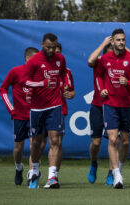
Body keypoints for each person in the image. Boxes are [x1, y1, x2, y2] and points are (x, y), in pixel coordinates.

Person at [96, 28, 130, 189]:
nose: (121, 42)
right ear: (112, 42)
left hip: (128, 105)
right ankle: (116, 175)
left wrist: (129, 83)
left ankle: (120, 167)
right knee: (113, 139)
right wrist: (101, 90)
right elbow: (98, 75)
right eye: (118, 40)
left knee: (125, 142)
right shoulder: (104, 59)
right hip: (110, 104)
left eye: (123, 40)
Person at [22, 33, 67, 189]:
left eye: (53, 47)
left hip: (55, 105)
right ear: (42, 45)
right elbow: (24, 81)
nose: (51, 50)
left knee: (55, 140)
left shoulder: (60, 59)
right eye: (48, 47)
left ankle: (52, 177)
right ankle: (34, 170)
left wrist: (64, 85)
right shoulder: (34, 60)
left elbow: (63, 76)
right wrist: (41, 83)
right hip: (37, 108)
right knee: (36, 143)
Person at [0, 47, 39, 186]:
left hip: (35, 115)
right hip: (19, 116)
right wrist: (11, 109)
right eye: (36, 58)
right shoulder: (16, 71)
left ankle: (32, 173)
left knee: (34, 144)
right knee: (18, 148)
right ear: (27, 59)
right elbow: (3, 89)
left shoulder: (40, 73)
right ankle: (18, 167)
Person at [86, 36, 114, 185]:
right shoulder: (100, 62)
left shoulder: (121, 62)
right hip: (98, 106)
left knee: (113, 141)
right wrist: (104, 43)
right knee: (96, 143)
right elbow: (90, 60)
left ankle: (111, 172)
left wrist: (118, 43)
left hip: (115, 106)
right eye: (108, 52)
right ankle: (94, 163)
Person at [54, 42, 75, 182]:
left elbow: (72, 92)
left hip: (60, 109)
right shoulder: (39, 68)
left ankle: (54, 174)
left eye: (59, 53)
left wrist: (70, 94)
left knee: (58, 142)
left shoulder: (67, 72)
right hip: (41, 109)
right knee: (37, 142)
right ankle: (33, 172)